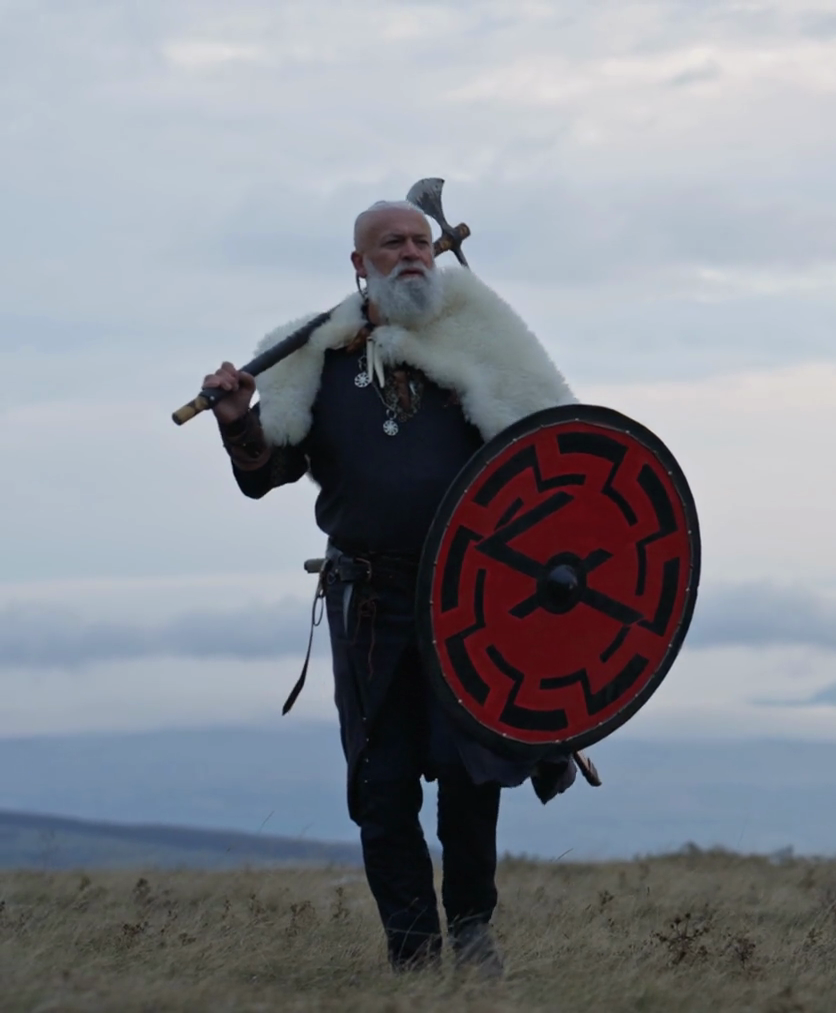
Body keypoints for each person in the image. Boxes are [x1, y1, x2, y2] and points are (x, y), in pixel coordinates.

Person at [203, 199, 577, 975]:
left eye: (419, 240)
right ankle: (413, 953)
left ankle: (471, 931)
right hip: (369, 599)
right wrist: (238, 420)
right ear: (359, 264)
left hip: (471, 598)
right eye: (391, 243)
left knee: (472, 774)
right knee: (382, 783)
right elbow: (267, 471)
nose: (411, 251)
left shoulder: (476, 345)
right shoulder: (315, 359)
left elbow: (546, 464)